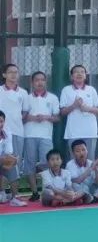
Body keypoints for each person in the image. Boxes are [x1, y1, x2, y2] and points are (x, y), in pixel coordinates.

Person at [23, 71, 60, 200]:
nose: (40, 82)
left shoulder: (53, 98)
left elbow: (57, 118)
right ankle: (34, 192)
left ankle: (48, 191)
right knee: (30, 163)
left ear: (46, 82)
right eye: (37, 80)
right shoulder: (26, 98)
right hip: (29, 135)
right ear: (32, 82)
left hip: (46, 136)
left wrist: (46, 117)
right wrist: (33, 118)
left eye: (42, 80)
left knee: (47, 163)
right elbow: (22, 117)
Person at [1, 64, 33, 201]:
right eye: (10, 72)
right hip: (2, 133)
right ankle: (2, 192)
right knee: (2, 162)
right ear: (4, 75)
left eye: (16, 72)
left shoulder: (23, 93)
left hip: (18, 132)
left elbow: (25, 112)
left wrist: (17, 119)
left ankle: (15, 196)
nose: (14, 74)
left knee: (14, 164)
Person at [60, 64, 98, 156]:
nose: (79, 74)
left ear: (85, 76)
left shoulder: (91, 90)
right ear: (72, 76)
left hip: (90, 132)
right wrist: (74, 105)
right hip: (73, 132)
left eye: (82, 72)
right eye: (76, 72)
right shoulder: (66, 90)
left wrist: (87, 108)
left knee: (90, 159)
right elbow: (62, 112)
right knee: (74, 160)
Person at [0, 110, 26, 206]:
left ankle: (14, 198)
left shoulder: (7, 133)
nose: (0, 124)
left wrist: (14, 159)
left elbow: (8, 151)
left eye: (1, 121)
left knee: (13, 164)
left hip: (2, 161)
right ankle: (2, 193)